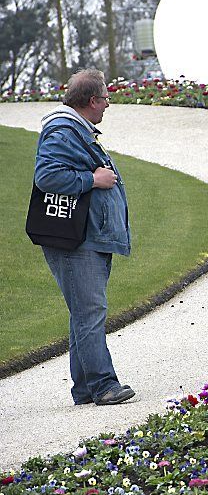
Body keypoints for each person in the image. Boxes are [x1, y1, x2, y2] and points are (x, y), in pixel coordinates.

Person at [34, 69, 135, 406]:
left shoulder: (76, 130)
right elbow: (47, 176)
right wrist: (92, 179)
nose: (108, 103)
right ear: (92, 100)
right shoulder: (63, 131)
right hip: (77, 240)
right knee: (90, 311)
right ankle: (104, 385)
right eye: (105, 96)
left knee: (84, 311)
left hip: (87, 236)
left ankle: (85, 389)